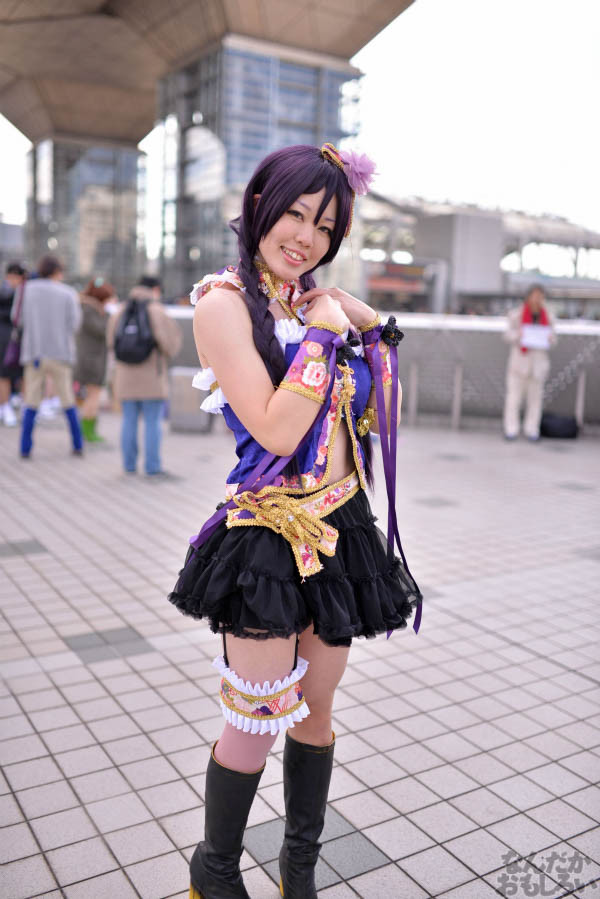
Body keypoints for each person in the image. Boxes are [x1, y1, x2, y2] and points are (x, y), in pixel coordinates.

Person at [167, 143, 422, 899]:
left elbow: (381, 417)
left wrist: (373, 333)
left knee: (316, 712)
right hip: (269, 539)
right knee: (256, 719)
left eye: (326, 226)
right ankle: (215, 871)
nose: (307, 237)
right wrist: (326, 331)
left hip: (341, 529)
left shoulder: (311, 301)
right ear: (260, 206)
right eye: (297, 214)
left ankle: (298, 867)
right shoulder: (223, 303)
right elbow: (278, 429)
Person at [106, 275, 182, 476]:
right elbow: (170, 344)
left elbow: (111, 342)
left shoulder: (121, 310)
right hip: (151, 377)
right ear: (155, 289)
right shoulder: (157, 310)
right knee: (152, 422)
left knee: (128, 421)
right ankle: (152, 467)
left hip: (125, 376)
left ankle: (129, 466)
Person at [18, 255, 83, 458]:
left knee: (31, 400)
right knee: (67, 399)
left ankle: (25, 448)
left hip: (34, 351)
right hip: (61, 352)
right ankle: (78, 445)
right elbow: (75, 324)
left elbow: (17, 319)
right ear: (57, 271)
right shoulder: (68, 293)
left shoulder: (26, 290)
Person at [503, 284, 556, 441]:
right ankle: (511, 429)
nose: (537, 299)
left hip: (538, 365)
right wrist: (519, 335)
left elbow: (554, 339)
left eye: (540, 296)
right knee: (513, 398)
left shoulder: (548, 316)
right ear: (528, 297)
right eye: (534, 295)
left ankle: (532, 429)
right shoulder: (516, 315)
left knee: (535, 400)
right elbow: (507, 335)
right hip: (519, 364)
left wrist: (550, 339)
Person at [74, 277, 116, 443]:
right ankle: (87, 432)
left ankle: (88, 430)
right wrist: (109, 316)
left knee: (93, 396)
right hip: (91, 360)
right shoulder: (89, 310)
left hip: (92, 358)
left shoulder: (89, 309)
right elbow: (102, 330)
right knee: (93, 396)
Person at [0, 262, 26, 427]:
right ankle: (5, 406)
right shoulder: (5, 292)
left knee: (24, 373)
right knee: (4, 373)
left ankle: (24, 406)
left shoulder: (26, 293)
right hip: (5, 337)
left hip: (21, 337)